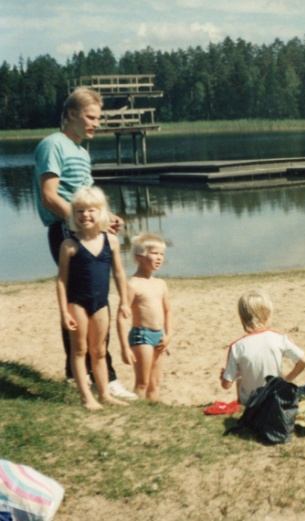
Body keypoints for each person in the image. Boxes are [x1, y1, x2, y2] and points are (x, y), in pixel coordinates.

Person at [33, 86, 136, 400]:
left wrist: (108, 217)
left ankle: (84, 372)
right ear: (72, 114)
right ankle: (99, 374)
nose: (96, 123)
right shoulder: (53, 144)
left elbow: (87, 199)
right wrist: (81, 224)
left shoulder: (81, 151)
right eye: (91, 117)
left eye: (98, 118)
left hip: (86, 230)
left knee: (94, 299)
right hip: (66, 233)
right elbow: (50, 196)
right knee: (82, 301)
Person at [56, 187, 130, 410]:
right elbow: (61, 281)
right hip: (77, 303)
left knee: (99, 350)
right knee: (79, 350)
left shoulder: (111, 241)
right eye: (79, 211)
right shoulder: (69, 245)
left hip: (101, 304)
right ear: (73, 214)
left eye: (90, 210)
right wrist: (64, 311)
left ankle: (105, 393)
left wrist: (124, 301)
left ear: (101, 213)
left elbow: (118, 273)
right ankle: (86, 397)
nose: (85, 215)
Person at [220, 290, 305, 405]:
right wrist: (286, 380)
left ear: (242, 318)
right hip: (274, 397)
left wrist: (223, 377)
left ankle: (240, 404)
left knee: (240, 379)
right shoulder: (279, 338)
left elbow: (226, 385)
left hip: (250, 401)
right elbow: (304, 361)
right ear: (268, 314)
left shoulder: (237, 346)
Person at [118, 233, 172, 401]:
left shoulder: (161, 284)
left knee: (155, 383)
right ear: (139, 257)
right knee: (143, 382)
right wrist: (125, 347)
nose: (159, 258)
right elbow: (121, 317)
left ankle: (154, 412)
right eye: (154, 253)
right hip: (141, 336)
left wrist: (169, 335)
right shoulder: (132, 284)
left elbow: (168, 311)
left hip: (159, 336)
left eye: (162, 254)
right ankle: (137, 411)